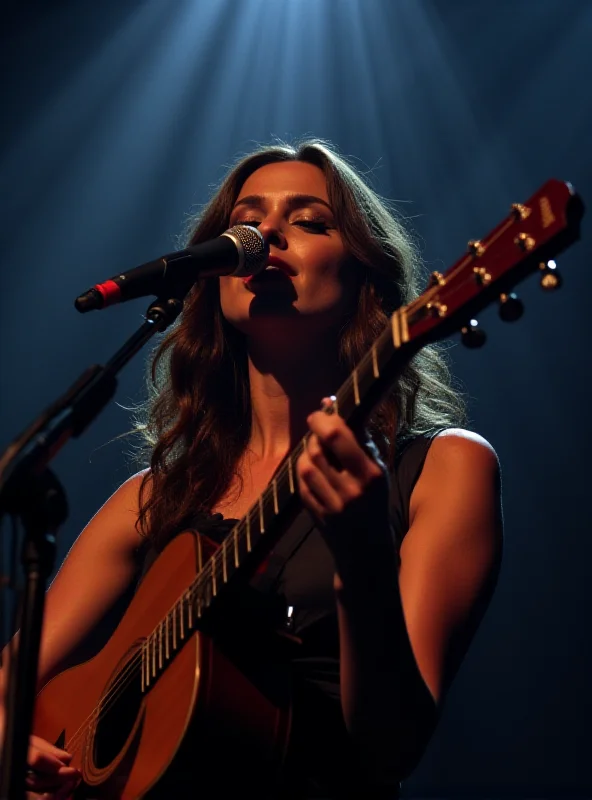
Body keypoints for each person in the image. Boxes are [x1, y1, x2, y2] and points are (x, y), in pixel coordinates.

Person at [0, 139, 503, 799]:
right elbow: (10, 679)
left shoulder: (444, 465)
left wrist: (362, 557)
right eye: (249, 219)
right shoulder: (152, 497)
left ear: (365, 278)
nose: (266, 233)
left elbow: (393, 746)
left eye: (310, 221)